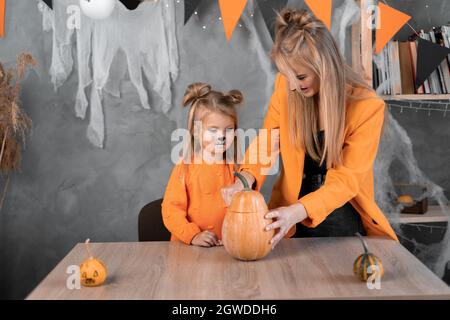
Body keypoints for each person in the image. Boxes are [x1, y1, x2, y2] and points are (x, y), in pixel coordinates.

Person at [221, 8, 398, 249]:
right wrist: (244, 179)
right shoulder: (285, 87)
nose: (293, 86)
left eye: (301, 77)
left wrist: (298, 211)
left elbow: (347, 180)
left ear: (324, 66)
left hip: (339, 209)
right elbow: (266, 144)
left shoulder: (367, 107)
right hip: (289, 210)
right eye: (287, 75)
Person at [162, 82, 243, 247]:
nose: (221, 136)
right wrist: (193, 236)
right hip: (189, 250)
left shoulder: (236, 169)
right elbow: (171, 210)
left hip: (227, 248)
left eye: (228, 129)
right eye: (213, 130)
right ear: (196, 131)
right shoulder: (185, 167)